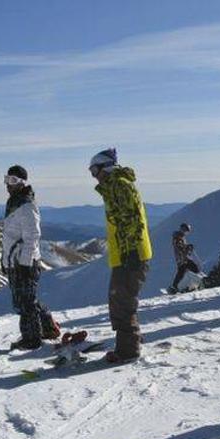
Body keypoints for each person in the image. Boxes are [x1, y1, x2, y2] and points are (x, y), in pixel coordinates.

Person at [89, 148, 152, 363]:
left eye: (94, 170)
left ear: (104, 167)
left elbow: (132, 219)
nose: (94, 176)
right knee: (120, 299)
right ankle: (130, 341)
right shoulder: (114, 186)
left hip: (130, 254)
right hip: (125, 253)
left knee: (122, 301)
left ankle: (128, 350)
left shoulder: (120, 186)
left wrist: (131, 252)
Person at [2, 165, 61, 351]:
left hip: (24, 262)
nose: (8, 185)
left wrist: (26, 263)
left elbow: (32, 236)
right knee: (25, 300)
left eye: (12, 181)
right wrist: (5, 261)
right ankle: (49, 327)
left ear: (22, 183)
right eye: (7, 180)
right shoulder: (14, 203)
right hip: (15, 261)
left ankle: (31, 338)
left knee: (25, 303)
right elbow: (11, 236)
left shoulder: (27, 206)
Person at [168, 223, 199, 294]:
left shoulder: (180, 237)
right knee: (192, 269)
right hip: (182, 258)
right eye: (185, 230)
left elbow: (182, 247)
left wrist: (188, 247)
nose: (186, 232)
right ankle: (177, 286)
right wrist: (187, 248)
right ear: (181, 229)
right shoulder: (178, 237)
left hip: (183, 258)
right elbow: (179, 248)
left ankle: (177, 286)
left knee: (182, 272)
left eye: (187, 231)